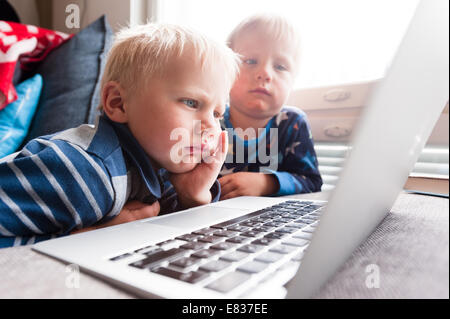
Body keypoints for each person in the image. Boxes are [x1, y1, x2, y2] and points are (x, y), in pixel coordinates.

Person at [0, 23, 240, 248]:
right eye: (191, 102)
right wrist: (82, 241)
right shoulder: (84, 172)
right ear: (118, 103)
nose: (210, 125)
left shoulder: (159, 169)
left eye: (218, 113)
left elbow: (183, 235)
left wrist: (193, 196)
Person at [218, 14, 323, 200]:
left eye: (280, 67)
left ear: (293, 80)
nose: (265, 73)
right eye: (250, 61)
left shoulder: (292, 123)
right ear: (227, 70)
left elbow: (312, 182)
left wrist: (266, 183)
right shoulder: (210, 120)